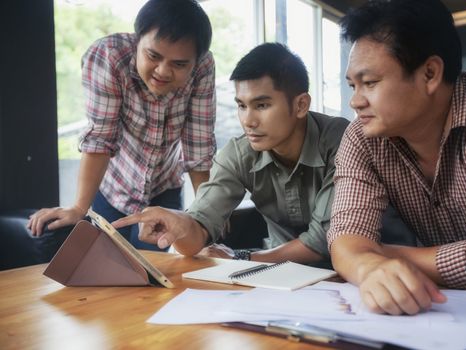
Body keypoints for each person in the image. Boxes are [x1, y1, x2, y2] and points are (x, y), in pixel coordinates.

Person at [328, 0, 466, 316]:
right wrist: (367, 266)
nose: (355, 100)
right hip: (454, 312)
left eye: (370, 83)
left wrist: (376, 254)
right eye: (353, 85)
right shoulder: (363, 136)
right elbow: (345, 239)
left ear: (430, 74)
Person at [112, 43, 350, 264]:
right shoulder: (238, 154)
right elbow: (199, 228)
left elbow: (321, 240)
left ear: (300, 105)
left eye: (262, 105)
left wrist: (244, 258)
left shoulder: (340, 141)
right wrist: (180, 224)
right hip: (280, 279)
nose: (248, 120)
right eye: (241, 105)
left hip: (353, 273)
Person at [27, 0, 216, 251]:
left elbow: (198, 146)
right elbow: (101, 138)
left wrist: (207, 219)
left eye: (179, 64)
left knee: (156, 274)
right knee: (109, 270)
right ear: (137, 40)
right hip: (112, 186)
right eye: (153, 56)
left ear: (195, 61)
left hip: (164, 186)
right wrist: (79, 208)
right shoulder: (109, 56)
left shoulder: (204, 67)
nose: (163, 71)